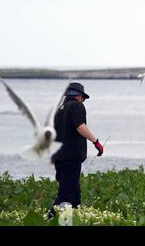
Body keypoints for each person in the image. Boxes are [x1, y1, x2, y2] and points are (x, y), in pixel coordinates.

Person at [48, 82, 104, 219]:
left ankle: (72, 221)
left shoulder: (58, 109)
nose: (83, 101)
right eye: (83, 98)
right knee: (65, 196)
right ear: (79, 96)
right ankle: (49, 220)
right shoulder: (77, 106)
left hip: (59, 157)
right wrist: (96, 142)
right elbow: (80, 126)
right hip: (71, 157)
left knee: (74, 198)